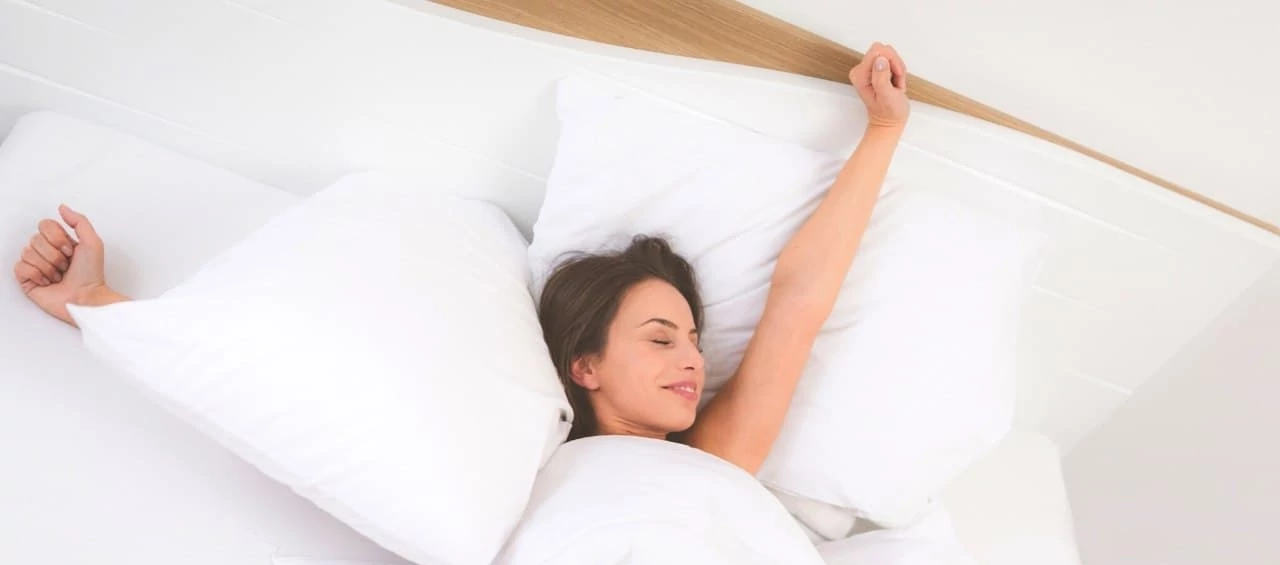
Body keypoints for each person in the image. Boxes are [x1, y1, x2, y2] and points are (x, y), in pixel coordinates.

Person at [13, 43, 910, 476]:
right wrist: (99, 304)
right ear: (584, 365)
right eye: (660, 336)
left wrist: (882, 131)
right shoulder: (519, 457)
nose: (692, 360)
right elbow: (313, 389)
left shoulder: (713, 459)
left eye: (691, 339)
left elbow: (798, 301)